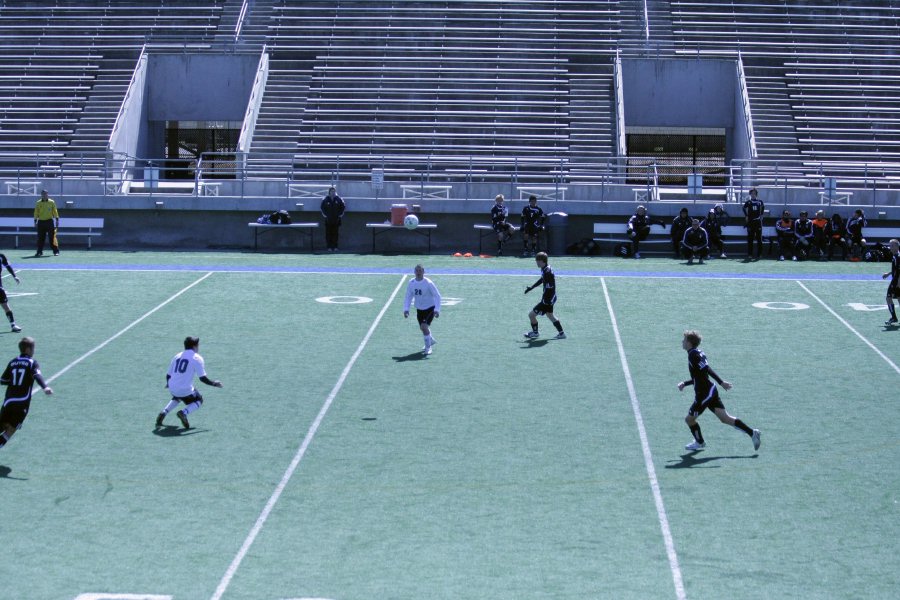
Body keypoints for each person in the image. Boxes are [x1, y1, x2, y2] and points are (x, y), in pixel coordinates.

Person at [677, 330, 760, 452]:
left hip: (704, 393)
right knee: (725, 418)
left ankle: (700, 442)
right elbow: (699, 375)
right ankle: (752, 433)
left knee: (689, 419)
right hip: (710, 390)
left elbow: (706, 370)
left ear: (689, 343)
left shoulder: (692, 355)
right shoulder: (696, 352)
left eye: (684, 340)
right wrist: (685, 383)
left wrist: (722, 382)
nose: (682, 342)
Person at [156, 336, 223, 429]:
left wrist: (168, 384)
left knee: (178, 396)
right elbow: (202, 378)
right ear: (194, 346)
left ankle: (164, 412)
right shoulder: (197, 358)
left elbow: (168, 375)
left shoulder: (177, 356)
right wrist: (214, 383)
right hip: (184, 390)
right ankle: (184, 413)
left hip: (172, 387)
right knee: (199, 400)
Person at [0, 337, 53, 450]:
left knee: (1, 425)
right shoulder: (32, 363)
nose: (34, 351)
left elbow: (3, 380)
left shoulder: (13, 362)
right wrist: (45, 387)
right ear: (28, 349)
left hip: (8, 401)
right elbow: (37, 376)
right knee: (10, 430)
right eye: (33, 348)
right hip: (21, 403)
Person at [523, 252, 565, 340]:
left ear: (542, 261)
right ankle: (561, 333)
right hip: (550, 298)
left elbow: (550, 287)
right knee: (550, 315)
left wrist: (545, 301)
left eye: (537, 261)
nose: (536, 263)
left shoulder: (547, 272)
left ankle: (535, 333)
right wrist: (531, 287)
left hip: (547, 300)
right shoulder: (546, 268)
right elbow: (542, 279)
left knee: (531, 315)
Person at [403, 264, 442, 355]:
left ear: (424, 272)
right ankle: (430, 340)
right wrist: (406, 309)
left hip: (429, 308)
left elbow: (437, 296)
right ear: (414, 272)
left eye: (420, 270)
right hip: (419, 309)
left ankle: (428, 348)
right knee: (423, 328)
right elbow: (408, 296)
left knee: (424, 327)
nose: (418, 272)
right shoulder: (411, 282)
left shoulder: (428, 283)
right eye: (417, 270)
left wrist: (437, 309)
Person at [33, 189, 59, 257]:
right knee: (40, 238)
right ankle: (39, 252)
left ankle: (56, 251)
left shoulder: (51, 202)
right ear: (41, 195)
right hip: (41, 222)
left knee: (52, 238)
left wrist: (57, 219)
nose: (44, 195)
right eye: (43, 194)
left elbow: (55, 211)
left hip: (49, 221)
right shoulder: (38, 202)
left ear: (48, 194)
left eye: (45, 194)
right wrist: (35, 221)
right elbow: (36, 212)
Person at [0, 253, 22, 332]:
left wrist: (14, 276)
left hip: (0, 288)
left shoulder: (1, 256)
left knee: (6, 306)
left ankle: (13, 325)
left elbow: (8, 266)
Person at [320, 186, 345, 252]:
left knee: (335, 233)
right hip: (328, 220)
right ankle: (329, 247)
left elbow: (343, 207)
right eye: (331, 191)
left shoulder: (339, 199)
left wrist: (340, 215)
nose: (333, 193)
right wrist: (325, 215)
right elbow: (322, 208)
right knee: (328, 233)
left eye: (334, 191)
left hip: (336, 219)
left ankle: (335, 247)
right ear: (329, 192)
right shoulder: (325, 199)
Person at [742, 188, 765, 260]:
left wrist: (761, 215)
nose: (753, 195)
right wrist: (746, 216)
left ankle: (760, 254)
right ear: (750, 194)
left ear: (756, 194)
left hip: (758, 222)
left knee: (759, 239)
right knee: (750, 239)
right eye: (752, 193)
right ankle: (750, 254)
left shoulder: (760, 201)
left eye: (754, 193)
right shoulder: (748, 202)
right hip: (750, 222)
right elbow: (743, 208)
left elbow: (763, 207)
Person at [882, 239, 900, 326]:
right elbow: (896, 269)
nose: (890, 247)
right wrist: (889, 274)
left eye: (892, 246)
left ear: (897, 246)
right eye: (890, 245)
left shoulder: (897, 256)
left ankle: (894, 317)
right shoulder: (896, 256)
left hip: (896, 282)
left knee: (888, 298)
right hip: (896, 280)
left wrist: (898, 283)